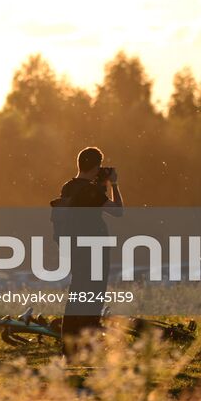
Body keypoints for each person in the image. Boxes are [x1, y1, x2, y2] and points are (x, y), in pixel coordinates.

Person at [54, 147, 123, 356]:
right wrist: (115, 185)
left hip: (75, 250)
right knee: (93, 297)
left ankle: (69, 348)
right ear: (95, 167)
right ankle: (87, 347)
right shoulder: (90, 191)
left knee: (76, 296)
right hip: (94, 250)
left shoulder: (68, 187)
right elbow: (118, 211)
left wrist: (100, 184)